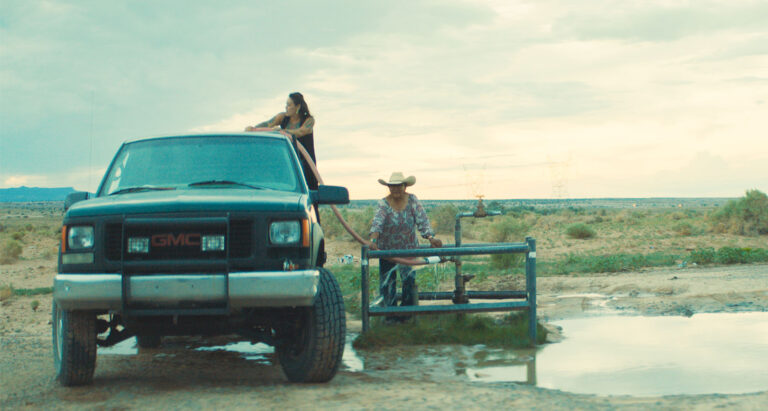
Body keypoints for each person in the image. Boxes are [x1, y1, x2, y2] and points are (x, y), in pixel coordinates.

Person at [368, 172, 442, 319]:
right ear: (388, 187)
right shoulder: (383, 203)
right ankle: (389, 316)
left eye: (398, 186)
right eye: (392, 186)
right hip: (388, 252)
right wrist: (373, 240)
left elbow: (422, 220)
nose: (395, 189)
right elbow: (377, 223)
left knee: (408, 281)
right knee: (388, 284)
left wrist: (430, 237)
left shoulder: (412, 200)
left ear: (405, 186)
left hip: (409, 249)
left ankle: (407, 316)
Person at [246, 92, 318, 189]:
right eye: (286, 105)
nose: (286, 107)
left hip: (306, 161)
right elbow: (268, 124)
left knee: (310, 186)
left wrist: (282, 131)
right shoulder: (282, 117)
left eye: (289, 105)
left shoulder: (309, 120)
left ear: (298, 107)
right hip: (290, 159)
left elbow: (301, 131)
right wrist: (253, 129)